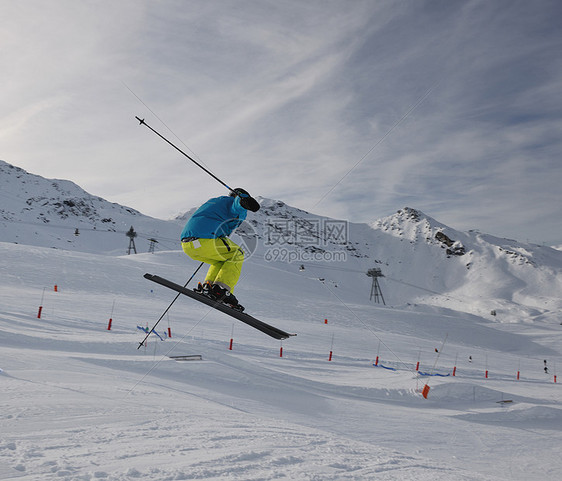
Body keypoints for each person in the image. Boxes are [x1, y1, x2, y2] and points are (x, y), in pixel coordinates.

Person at [180, 188, 260, 310]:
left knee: (221, 260)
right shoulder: (231, 202)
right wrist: (244, 201)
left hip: (188, 244)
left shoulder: (215, 202)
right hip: (204, 239)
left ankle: (210, 287)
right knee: (237, 253)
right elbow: (236, 205)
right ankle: (222, 291)